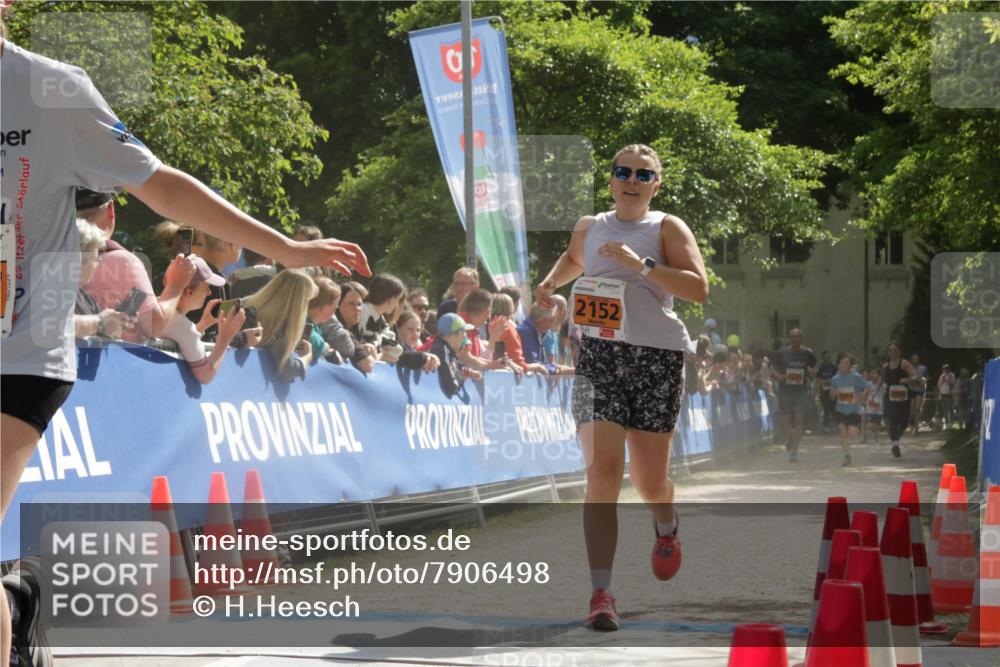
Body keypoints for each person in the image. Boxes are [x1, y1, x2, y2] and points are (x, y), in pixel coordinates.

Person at [0, 24, 370, 665]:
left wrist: (283, 249)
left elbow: (162, 185)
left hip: (23, 349)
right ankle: (18, 597)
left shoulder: (50, 88)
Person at [535, 143, 708, 631]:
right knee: (603, 475)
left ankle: (666, 522)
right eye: (622, 171)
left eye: (642, 174)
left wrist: (641, 265)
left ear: (656, 184)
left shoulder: (666, 228)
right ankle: (601, 592)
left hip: (656, 358)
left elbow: (698, 288)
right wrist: (549, 285)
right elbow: (574, 260)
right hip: (598, 358)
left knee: (651, 482)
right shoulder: (590, 227)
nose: (631, 179)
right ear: (610, 179)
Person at [160, 257, 246, 384]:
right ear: (189, 291)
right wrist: (225, 338)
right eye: (206, 286)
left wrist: (203, 324)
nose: (210, 292)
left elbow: (182, 337)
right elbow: (206, 375)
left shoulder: (149, 305)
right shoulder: (185, 329)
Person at [242, 270, 317, 382]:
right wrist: (306, 358)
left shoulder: (246, 306)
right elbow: (287, 369)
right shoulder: (278, 326)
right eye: (306, 301)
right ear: (298, 302)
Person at [73, 220, 133, 339]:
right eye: (96, 259)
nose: (98, 264)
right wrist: (99, 322)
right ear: (79, 260)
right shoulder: (47, 292)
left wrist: (115, 321)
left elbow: (101, 334)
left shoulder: (85, 297)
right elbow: (54, 326)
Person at [770, 328, 817, 462]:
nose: (794, 339)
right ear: (789, 339)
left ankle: (794, 451)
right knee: (785, 420)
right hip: (785, 390)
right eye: (792, 337)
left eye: (797, 337)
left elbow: (814, 369)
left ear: (801, 339)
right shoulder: (782, 353)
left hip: (801, 391)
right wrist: (779, 376)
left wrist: (812, 372)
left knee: (799, 419)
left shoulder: (807, 353)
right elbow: (771, 367)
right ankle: (789, 437)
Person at [829, 353, 869, 467]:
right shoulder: (835, 379)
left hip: (853, 410)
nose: (844, 365)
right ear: (838, 364)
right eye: (842, 362)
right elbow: (831, 395)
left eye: (847, 363)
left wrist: (861, 396)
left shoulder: (856, 377)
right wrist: (834, 393)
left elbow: (867, 387)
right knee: (842, 432)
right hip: (840, 410)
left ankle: (858, 430)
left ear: (851, 365)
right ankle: (847, 456)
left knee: (851, 434)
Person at [430, 313, 481, 397]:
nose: (465, 336)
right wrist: (462, 379)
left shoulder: (444, 349)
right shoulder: (442, 350)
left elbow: (453, 364)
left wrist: (469, 372)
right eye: (464, 332)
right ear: (454, 335)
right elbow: (451, 387)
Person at [882, 341, 917, 459]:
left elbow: (914, 375)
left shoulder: (904, 363)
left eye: (895, 350)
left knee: (904, 422)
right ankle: (895, 444)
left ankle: (896, 440)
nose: (893, 352)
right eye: (890, 350)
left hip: (903, 397)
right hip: (890, 397)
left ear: (899, 351)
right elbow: (882, 381)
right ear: (888, 352)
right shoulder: (885, 366)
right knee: (892, 419)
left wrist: (908, 380)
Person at [336, 282, 376, 374]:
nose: (357, 308)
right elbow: (368, 365)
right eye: (351, 304)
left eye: (359, 304)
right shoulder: (339, 331)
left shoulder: (357, 331)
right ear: (337, 305)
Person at [815, 351, 837, 435]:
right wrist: (827, 381)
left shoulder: (833, 367)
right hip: (823, 391)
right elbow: (818, 380)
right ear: (823, 358)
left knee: (833, 408)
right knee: (825, 409)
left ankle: (838, 425)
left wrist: (827, 381)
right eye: (826, 357)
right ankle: (826, 427)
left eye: (829, 357)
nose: (827, 358)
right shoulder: (820, 367)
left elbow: (836, 379)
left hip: (832, 391)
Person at [866, 366, 886, 447]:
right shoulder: (867, 384)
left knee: (877, 425)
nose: (872, 374)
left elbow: (885, 396)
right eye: (871, 373)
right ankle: (866, 438)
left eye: (874, 373)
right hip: (870, 408)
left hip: (879, 408)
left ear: (879, 375)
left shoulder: (883, 386)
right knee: (870, 424)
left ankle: (876, 441)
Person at [909, 353, 928, 433]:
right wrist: (911, 380)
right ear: (911, 360)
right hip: (911, 389)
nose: (915, 360)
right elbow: (906, 377)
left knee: (917, 408)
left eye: (916, 359)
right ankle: (912, 423)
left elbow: (927, 377)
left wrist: (923, 381)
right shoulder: (909, 368)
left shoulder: (923, 368)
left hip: (919, 390)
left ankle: (916, 427)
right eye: (914, 359)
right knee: (912, 410)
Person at [937, 364, 956, 429]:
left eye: (947, 368)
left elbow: (953, 384)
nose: (945, 370)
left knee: (950, 408)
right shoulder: (941, 376)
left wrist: (946, 380)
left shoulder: (952, 375)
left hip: (949, 394)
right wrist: (942, 380)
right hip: (943, 394)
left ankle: (951, 422)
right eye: (944, 369)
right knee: (944, 409)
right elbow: (939, 385)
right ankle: (947, 423)